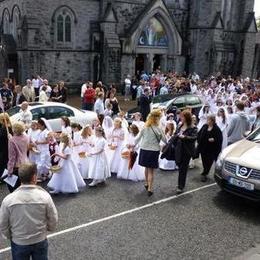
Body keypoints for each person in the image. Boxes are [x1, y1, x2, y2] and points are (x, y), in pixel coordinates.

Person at [0, 163, 58, 260]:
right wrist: (49, 229)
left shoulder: (8, 200)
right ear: (34, 177)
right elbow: (53, 218)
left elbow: (3, 224)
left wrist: (11, 236)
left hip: (19, 241)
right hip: (40, 239)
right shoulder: (44, 196)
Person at [135, 109, 166, 196]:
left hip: (144, 149)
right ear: (157, 118)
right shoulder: (159, 128)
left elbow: (137, 138)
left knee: (146, 168)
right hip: (154, 151)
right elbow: (165, 140)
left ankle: (146, 183)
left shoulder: (145, 127)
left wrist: (132, 145)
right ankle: (150, 188)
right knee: (151, 171)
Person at [174, 110, 198, 194]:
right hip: (179, 149)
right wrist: (177, 135)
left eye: (182, 117)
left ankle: (181, 186)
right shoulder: (180, 125)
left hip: (186, 151)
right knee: (180, 167)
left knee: (183, 169)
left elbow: (194, 138)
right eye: (181, 116)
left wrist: (184, 137)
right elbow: (176, 133)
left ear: (187, 118)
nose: (181, 118)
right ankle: (180, 184)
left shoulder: (193, 127)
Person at [197, 115, 223, 182]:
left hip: (211, 149)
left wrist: (214, 139)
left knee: (209, 161)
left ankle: (205, 173)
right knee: (204, 160)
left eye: (208, 120)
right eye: (207, 119)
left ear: (212, 121)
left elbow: (220, 138)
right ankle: (205, 170)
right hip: (203, 148)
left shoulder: (216, 129)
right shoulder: (204, 126)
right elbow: (199, 134)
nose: (207, 121)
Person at [7, 122, 29, 192]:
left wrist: (9, 171)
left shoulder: (12, 141)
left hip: (17, 166)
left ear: (14, 130)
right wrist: (11, 137)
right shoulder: (26, 137)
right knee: (24, 186)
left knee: (15, 188)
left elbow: (12, 157)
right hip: (26, 163)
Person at [0, 113, 12, 178]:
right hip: (3, 148)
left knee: (3, 162)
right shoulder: (3, 127)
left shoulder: (7, 128)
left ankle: (4, 176)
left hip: (5, 148)